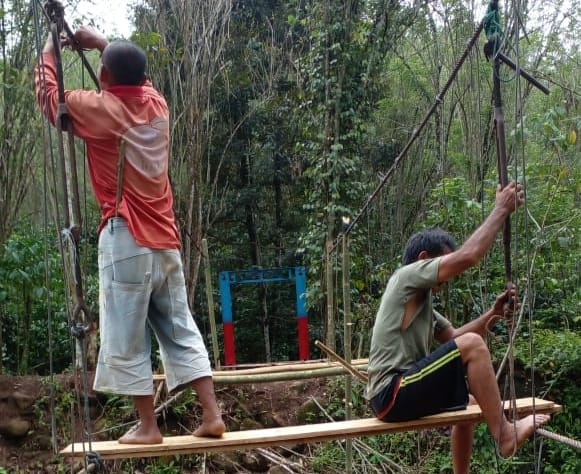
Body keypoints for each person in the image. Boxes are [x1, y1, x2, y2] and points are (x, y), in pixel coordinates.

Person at [35, 25, 225, 444]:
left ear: (103, 78)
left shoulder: (102, 110)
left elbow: (51, 101)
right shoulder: (157, 106)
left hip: (126, 238)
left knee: (125, 331)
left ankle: (147, 426)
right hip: (165, 239)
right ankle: (213, 415)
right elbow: (139, 78)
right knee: (181, 328)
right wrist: (104, 45)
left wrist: (52, 46)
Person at [366, 181, 550, 473]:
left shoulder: (421, 303)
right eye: (444, 262)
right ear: (424, 261)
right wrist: (500, 210)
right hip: (392, 391)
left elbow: (454, 338)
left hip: (395, 394)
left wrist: (494, 313)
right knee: (474, 348)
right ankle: (505, 434)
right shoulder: (406, 278)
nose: (447, 276)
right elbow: (468, 256)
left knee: (469, 404)